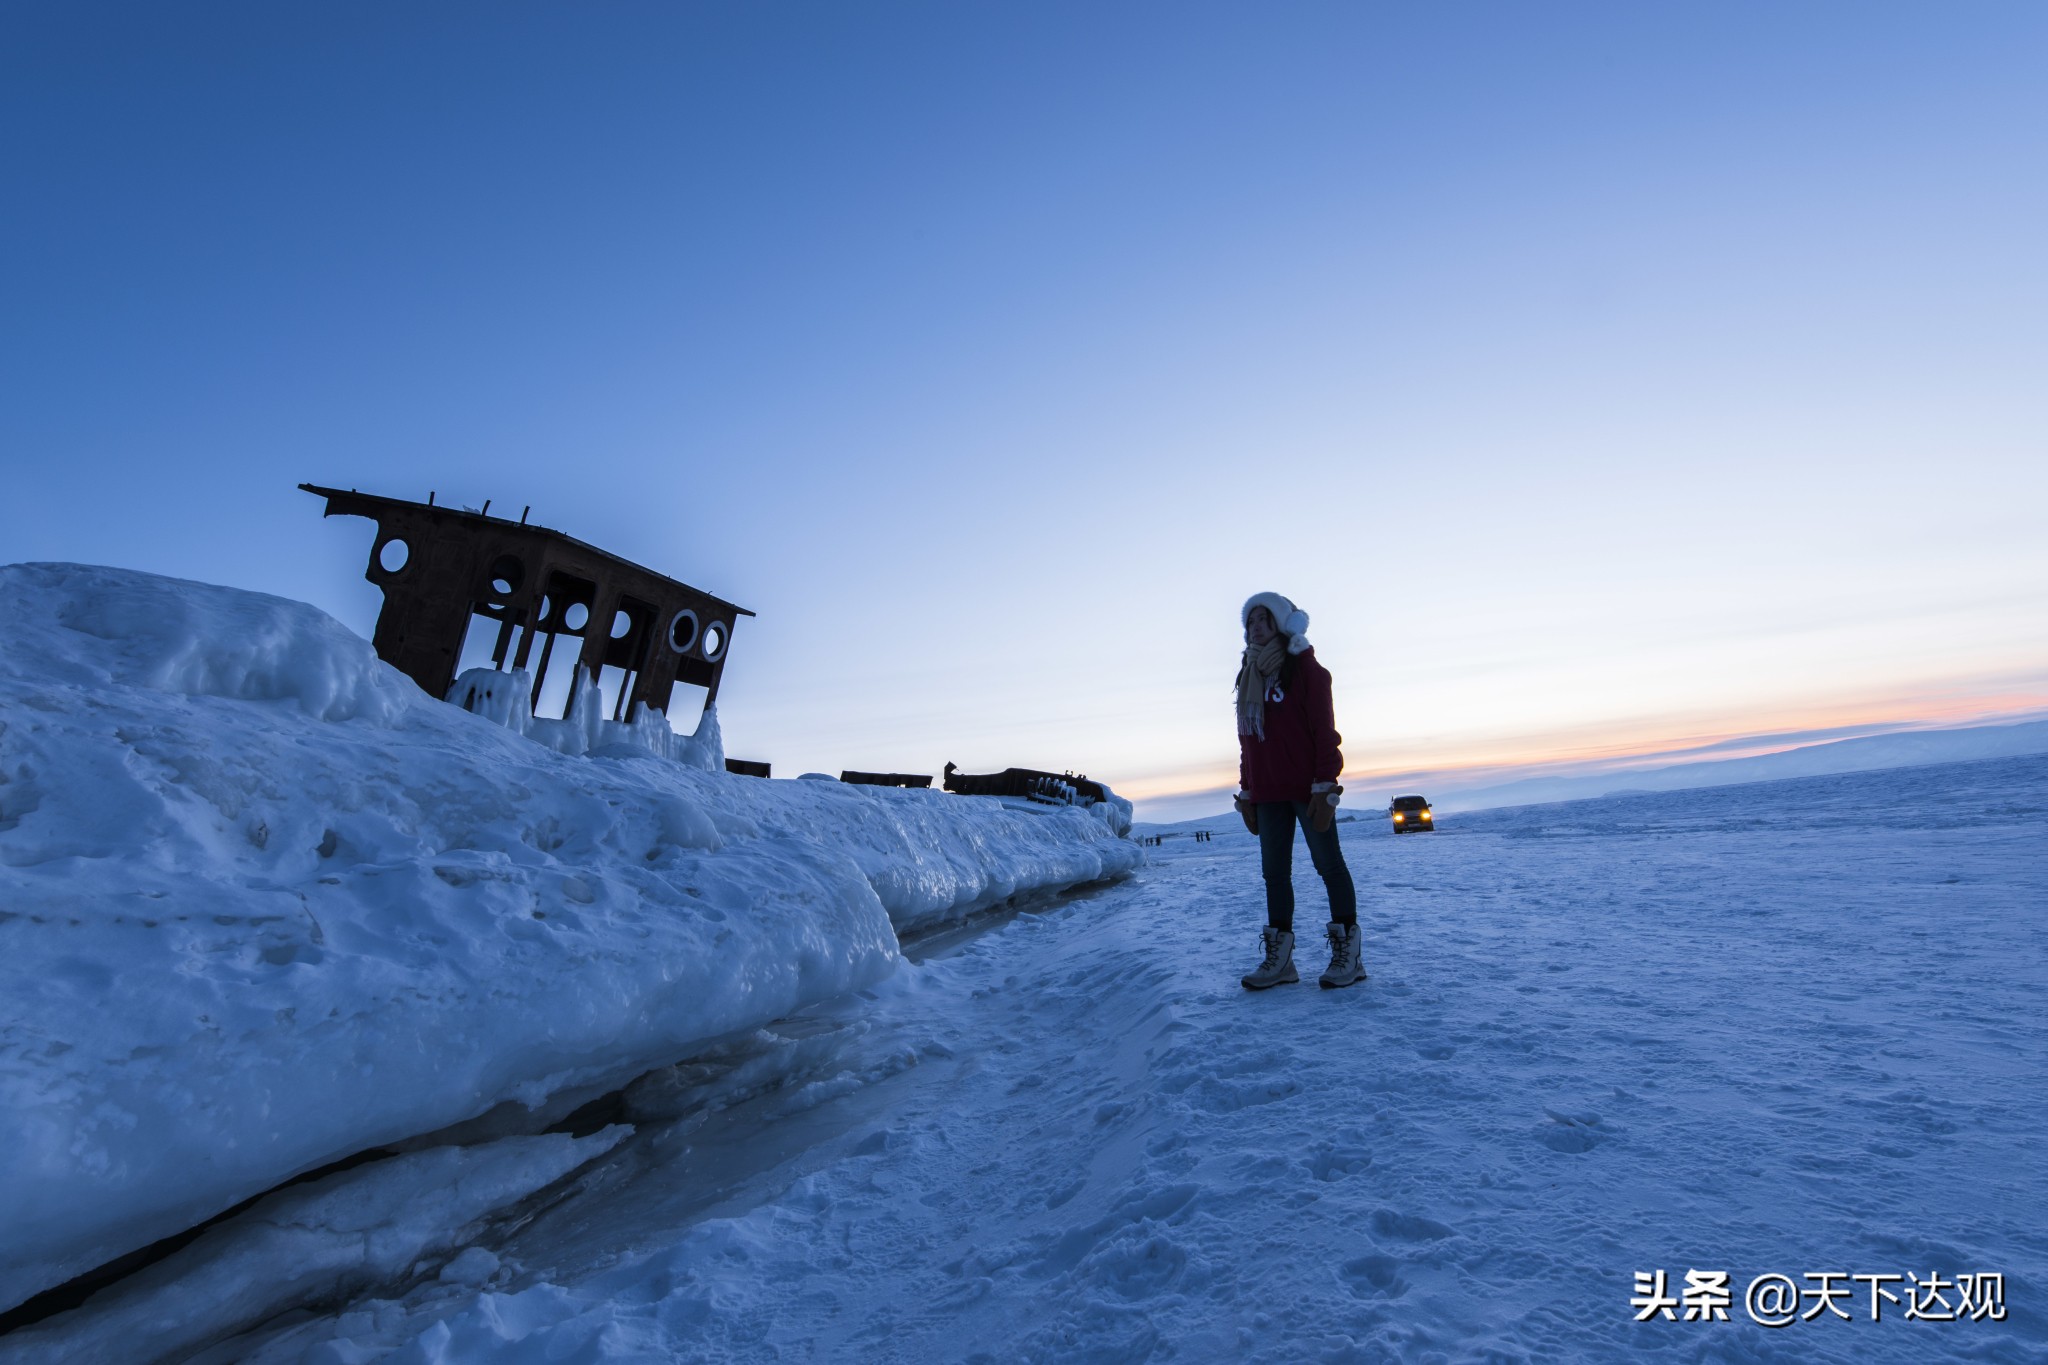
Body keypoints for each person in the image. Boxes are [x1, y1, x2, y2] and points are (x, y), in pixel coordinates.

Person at [1232, 593, 1364, 990]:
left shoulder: (1308, 671)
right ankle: (1281, 962)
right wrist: (1246, 788)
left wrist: (1326, 785)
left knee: (1329, 866)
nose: (1256, 626)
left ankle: (1349, 956)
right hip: (1268, 791)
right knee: (1274, 874)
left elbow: (1325, 733)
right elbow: (1247, 741)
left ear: (1284, 624)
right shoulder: (1247, 674)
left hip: (1308, 790)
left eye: (1265, 619)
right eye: (1251, 620)